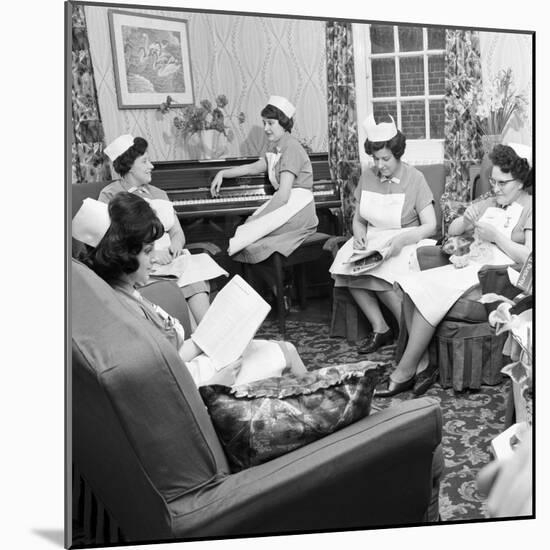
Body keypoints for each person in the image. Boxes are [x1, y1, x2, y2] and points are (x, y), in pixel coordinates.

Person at [73, 192, 307, 388]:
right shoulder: (126, 316)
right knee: (286, 351)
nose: (155, 259)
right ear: (122, 256)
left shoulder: (126, 295)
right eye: (147, 251)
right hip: (199, 383)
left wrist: (211, 336)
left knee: (284, 349)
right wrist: (215, 384)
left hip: (194, 369)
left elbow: (169, 356)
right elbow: (161, 386)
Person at [375, 143, 532, 397]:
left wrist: (496, 237)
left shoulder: (533, 208)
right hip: (471, 267)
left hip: (498, 277)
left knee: (429, 289)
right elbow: (453, 231)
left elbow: (530, 257)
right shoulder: (491, 202)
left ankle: (404, 372)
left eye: (503, 183)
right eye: (493, 182)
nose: (496, 188)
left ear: (521, 180)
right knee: (413, 284)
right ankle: (423, 366)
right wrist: (467, 220)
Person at [330, 114, 437, 354]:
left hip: (406, 238)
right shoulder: (368, 176)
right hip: (373, 238)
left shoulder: (415, 178)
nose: (380, 165)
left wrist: (401, 241)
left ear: (397, 154)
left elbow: (430, 225)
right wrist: (358, 234)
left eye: (385, 159)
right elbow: (358, 219)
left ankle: (409, 337)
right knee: (349, 271)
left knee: (383, 277)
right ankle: (381, 327)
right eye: (376, 159)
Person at [210, 95, 318, 296]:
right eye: (264, 123)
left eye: (270, 123)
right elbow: (253, 167)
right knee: (243, 237)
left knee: (245, 237)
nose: (266, 128)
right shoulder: (275, 146)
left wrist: (257, 218)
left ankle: (277, 288)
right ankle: (278, 288)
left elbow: (284, 195)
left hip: (299, 210)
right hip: (288, 206)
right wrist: (223, 173)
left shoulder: (291, 147)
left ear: (284, 123)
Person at [99, 134, 210, 322]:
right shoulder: (109, 195)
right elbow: (110, 240)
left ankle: (212, 341)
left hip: (172, 261)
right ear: (129, 166)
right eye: (145, 161)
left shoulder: (160, 193)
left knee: (195, 280)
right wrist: (153, 254)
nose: (152, 166)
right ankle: (200, 342)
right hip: (140, 265)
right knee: (183, 294)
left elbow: (177, 231)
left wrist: (175, 245)